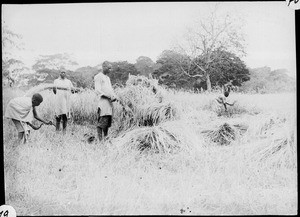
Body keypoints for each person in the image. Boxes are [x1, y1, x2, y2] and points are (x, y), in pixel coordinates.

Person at [94, 61, 118, 142]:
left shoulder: (107, 78)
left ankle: (106, 138)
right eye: (109, 68)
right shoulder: (98, 77)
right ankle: (100, 140)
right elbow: (98, 91)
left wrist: (114, 96)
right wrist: (109, 96)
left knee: (107, 123)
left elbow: (110, 90)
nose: (110, 70)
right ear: (103, 67)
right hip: (103, 102)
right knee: (102, 122)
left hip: (109, 103)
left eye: (111, 68)